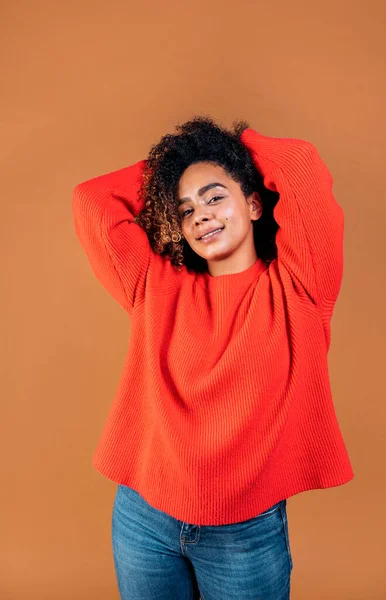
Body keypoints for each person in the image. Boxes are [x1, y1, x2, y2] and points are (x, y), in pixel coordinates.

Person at [72, 116, 354, 600]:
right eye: (185, 209)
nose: (200, 214)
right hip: (144, 520)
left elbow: (301, 165)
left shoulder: (299, 287)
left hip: (243, 535)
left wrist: (230, 149)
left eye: (215, 197)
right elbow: (92, 202)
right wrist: (172, 168)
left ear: (254, 203)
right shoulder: (155, 286)